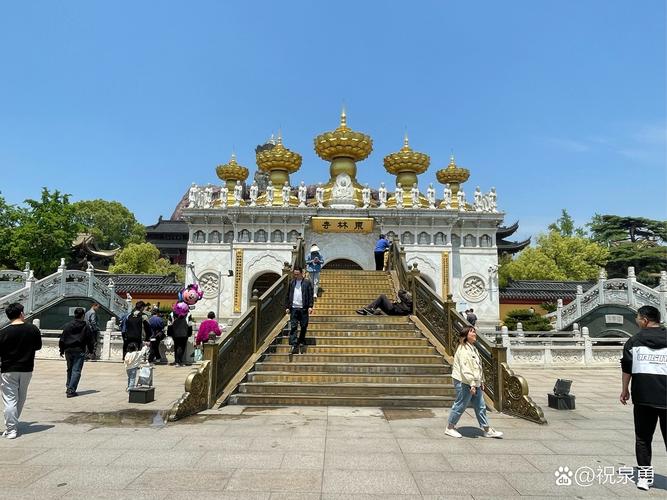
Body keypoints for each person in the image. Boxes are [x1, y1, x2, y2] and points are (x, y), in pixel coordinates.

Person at [620, 305, 667, 491]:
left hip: (643, 398)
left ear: (645, 320)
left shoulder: (634, 341)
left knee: (643, 439)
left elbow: (626, 369)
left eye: (638, 318)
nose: (637, 321)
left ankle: (645, 479)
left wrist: (624, 390)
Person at [445, 326, 503, 439]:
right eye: (472, 332)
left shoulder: (473, 348)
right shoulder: (463, 349)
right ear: (466, 335)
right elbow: (465, 369)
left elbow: (477, 367)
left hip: (474, 382)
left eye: (474, 332)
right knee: (461, 404)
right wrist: (472, 383)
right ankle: (450, 427)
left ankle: (487, 429)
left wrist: (481, 381)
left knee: (480, 406)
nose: (474, 334)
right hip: (464, 381)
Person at [0, 303, 42, 439]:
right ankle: (12, 425)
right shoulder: (33, 329)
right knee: (21, 397)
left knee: (10, 399)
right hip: (27, 368)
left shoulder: (4, 332)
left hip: (8, 369)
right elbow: (38, 346)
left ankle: (11, 428)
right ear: (21, 313)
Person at [59, 307, 95, 398]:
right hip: (79, 350)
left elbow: (62, 339)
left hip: (68, 350)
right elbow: (90, 340)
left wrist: (61, 350)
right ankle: (71, 390)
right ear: (83, 315)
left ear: (75, 315)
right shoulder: (86, 326)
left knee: (70, 369)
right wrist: (91, 351)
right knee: (76, 370)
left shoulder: (68, 325)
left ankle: (69, 387)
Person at [284, 266, 314, 355]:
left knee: (304, 326)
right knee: (293, 326)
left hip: (304, 308)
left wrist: (310, 306)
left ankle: (301, 340)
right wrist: (287, 307)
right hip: (293, 308)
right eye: (295, 274)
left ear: (301, 273)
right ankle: (294, 344)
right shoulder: (292, 282)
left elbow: (310, 295)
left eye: (297, 274)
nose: (296, 275)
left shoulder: (307, 282)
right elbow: (288, 294)